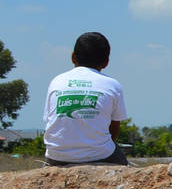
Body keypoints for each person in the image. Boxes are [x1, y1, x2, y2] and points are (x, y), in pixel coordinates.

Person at [43, 32, 129, 166]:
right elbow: (114, 127)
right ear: (106, 62)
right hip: (101, 155)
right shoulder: (113, 85)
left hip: (56, 156)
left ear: (73, 57)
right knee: (126, 170)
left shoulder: (57, 81)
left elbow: (51, 121)